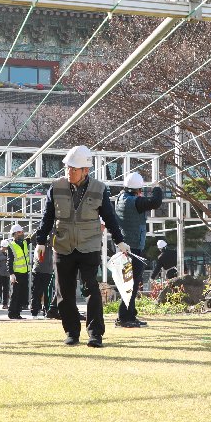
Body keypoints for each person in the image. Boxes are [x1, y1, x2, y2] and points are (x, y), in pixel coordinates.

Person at [34, 145, 128, 348]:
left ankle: (95, 334)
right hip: (62, 245)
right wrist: (40, 241)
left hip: (89, 246)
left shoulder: (99, 189)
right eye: (67, 167)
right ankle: (71, 332)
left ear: (86, 170)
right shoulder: (56, 187)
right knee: (64, 293)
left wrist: (119, 240)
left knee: (91, 289)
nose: (69, 171)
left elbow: (109, 217)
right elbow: (47, 217)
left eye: (74, 168)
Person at [114, 172, 164, 328]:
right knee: (132, 284)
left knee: (128, 284)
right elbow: (155, 202)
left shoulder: (120, 199)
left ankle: (129, 315)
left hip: (124, 246)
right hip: (133, 247)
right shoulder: (134, 201)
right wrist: (157, 188)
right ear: (138, 190)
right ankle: (125, 318)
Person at [7, 224, 31, 319]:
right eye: (20, 232)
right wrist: (11, 274)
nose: (22, 233)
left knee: (21, 294)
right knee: (15, 294)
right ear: (16, 233)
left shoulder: (24, 243)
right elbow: (10, 261)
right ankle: (12, 313)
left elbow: (33, 237)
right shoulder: (11, 246)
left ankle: (17, 313)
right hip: (16, 274)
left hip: (24, 273)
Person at [30, 242, 54, 319]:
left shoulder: (51, 244)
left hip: (48, 271)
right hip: (38, 270)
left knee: (47, 293)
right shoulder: (38, 243)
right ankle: (34, 312)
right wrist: (42, 234)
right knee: (36, 292)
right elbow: (33, 237)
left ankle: (47, 311)